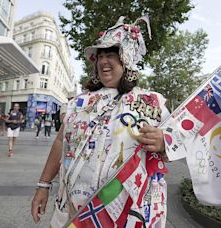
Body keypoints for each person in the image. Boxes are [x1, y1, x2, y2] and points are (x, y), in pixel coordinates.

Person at [31, 16, 170, 227]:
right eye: (100, 56)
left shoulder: (152, 102)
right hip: (76, 208)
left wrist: (163, 142)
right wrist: (43, 184)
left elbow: (174, 146)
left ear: (127, 59)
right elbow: (61, 142)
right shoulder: (77, 103)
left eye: (112, 55)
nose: (104, 61)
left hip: (125, 212)